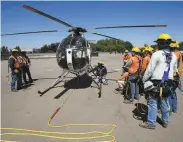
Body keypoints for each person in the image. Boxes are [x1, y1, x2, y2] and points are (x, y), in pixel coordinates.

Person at [139, 34, 178, 129]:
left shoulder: (156, 54)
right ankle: (165, 121)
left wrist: (143, 80)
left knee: (152, 102)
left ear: (161, 43)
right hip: (168, 83)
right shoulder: (174, 56)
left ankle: (151, 123)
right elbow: (175, 70)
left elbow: (150, 70)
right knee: (164, 102)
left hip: (156, 83)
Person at [168, 40, 182, 114]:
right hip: (176, 76)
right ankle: (175, 108)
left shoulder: (171, 54)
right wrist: (179, 74)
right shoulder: (179, 54)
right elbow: (180, 66)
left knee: (169, 93)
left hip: (170, 76)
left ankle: (169, 109)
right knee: (174, 93)